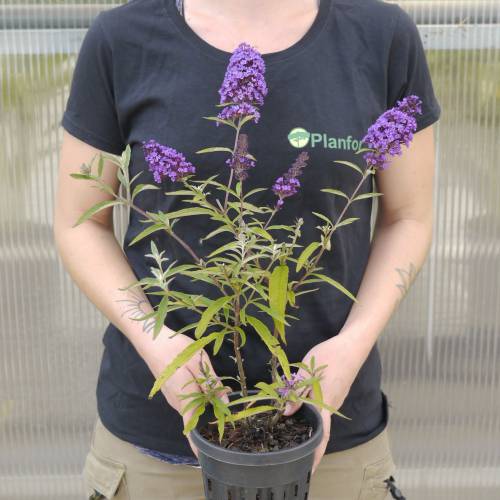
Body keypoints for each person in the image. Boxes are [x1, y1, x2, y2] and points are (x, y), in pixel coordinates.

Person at [53, 0, 440, 498]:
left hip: (331, 431)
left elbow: (408, 218)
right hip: (156, 440)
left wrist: (351, 347)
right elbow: (80, 223)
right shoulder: (120, 38)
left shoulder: (383, 35)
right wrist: (157, 343)